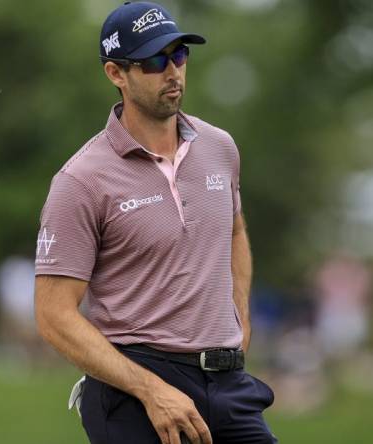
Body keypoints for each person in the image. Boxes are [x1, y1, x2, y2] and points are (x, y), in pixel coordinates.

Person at [33, 2, 276, 443]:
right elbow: (53, 315)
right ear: (116, 73)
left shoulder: (220, 146)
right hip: (136, 388)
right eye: (153, 61)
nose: (173, 71)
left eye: (179, 55)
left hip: (227, 384)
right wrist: (150, 390)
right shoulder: (80, 181)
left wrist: (240, 312)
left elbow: (234, 231)